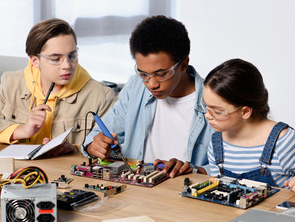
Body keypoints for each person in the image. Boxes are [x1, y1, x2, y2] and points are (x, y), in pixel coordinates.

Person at [81, 15, 214, 177]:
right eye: (143, 73)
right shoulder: (135, 86)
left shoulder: (215, 100)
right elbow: (97, 135)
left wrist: (194, 169)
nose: (151, 84)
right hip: (137, 191)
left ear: (183, 65)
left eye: (161, 74)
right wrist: (95, 146)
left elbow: (230, 168)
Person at [0, 18, 116, 156]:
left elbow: (116, 150)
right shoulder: (12, 83)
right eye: (56, 59)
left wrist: (77, 148)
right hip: (15, 175)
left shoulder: (101, 96)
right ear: (35, 60)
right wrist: (20, 130)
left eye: (72, 56)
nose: (67, 66)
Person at [204, 58, 295, 196]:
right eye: (206, 107)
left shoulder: (285, 142)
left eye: (216, 111)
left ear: (245, 112)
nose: (207, 115)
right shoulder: (217, 144)